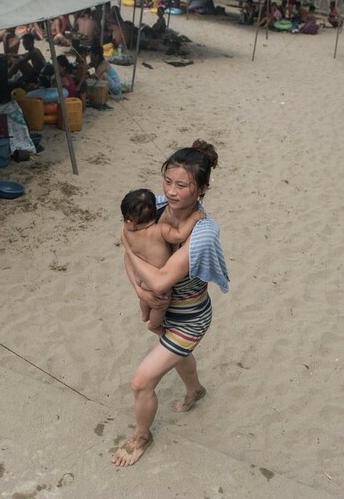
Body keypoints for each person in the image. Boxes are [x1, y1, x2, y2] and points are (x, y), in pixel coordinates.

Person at [113, 140, 229, 467]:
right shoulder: (157, 205)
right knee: (178, 355)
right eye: (168, 181)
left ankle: (141, 436)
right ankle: (196, 390)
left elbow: (162, 280)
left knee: (141, 381)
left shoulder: (202, 232)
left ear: (202, 188)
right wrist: (140, 290)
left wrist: (140, 269)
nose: (172, 192)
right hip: (163, 310)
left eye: (182, 185)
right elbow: (131, 251)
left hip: (190, 318)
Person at [121, 188, 205, 335]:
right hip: (156, 279)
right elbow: (179, 236)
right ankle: (154, 325)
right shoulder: (160, 230)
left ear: (130, 221)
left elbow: (128, 252)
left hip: (140, 276)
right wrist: (193, 219)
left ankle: (144, 314)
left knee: (146, 300)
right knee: (160, 306)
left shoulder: (127, 233)